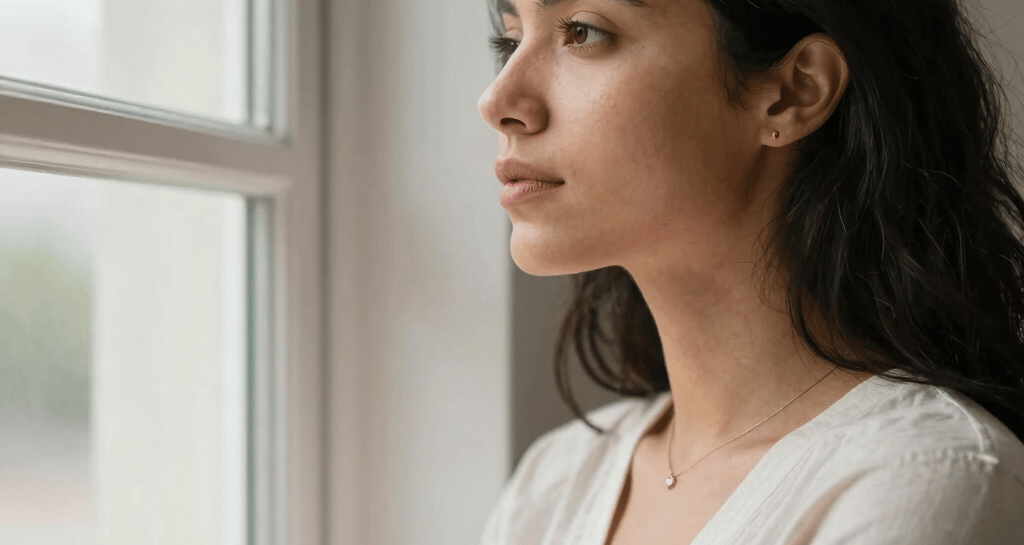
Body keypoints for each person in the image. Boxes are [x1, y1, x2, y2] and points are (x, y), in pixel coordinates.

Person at [475, 0, 1024, 543]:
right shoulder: (553, 483)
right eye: (511, 38)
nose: (497, 100)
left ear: (793, 92)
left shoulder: (926, 479)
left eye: (584, 32)